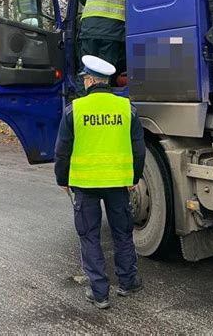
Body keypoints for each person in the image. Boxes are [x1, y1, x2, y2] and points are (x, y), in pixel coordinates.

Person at [54, 55, 145, 309]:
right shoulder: (127, 108)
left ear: (92, 80)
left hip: (85, 185)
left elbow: (62, 150)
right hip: (118, 183)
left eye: (85, 78)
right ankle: (128, 282)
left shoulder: (75, 110)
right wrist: (134, 178)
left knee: (90, 236)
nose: (84, 82)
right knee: (122, 233)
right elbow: (139, 149)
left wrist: (63, 179)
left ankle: (100, 293)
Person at [77, 0, 126, 78]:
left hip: (90, 27)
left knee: (87, 70)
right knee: (105, 72)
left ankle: (85, 95)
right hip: (114, 30)